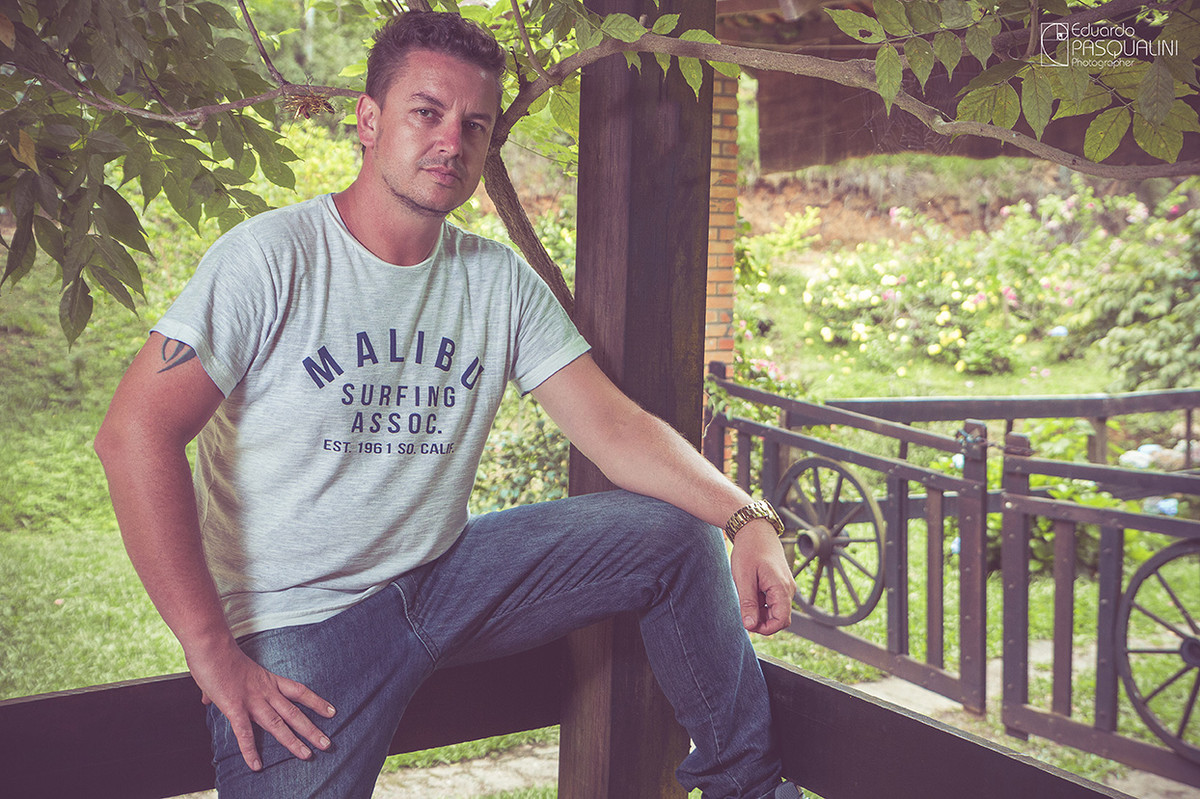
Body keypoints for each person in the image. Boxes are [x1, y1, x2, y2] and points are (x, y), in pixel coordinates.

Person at [94, 10, 801, 799]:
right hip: (301, 627)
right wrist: (211, 649)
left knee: (671, 536)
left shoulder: (493, 281)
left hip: (446, 578)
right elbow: (134, 436)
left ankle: (748, 789)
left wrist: (747, 515)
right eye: (426, 113)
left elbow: (613, 426)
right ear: (369, 121)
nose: (451, 143)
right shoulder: (271, 259)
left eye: (475, 124)